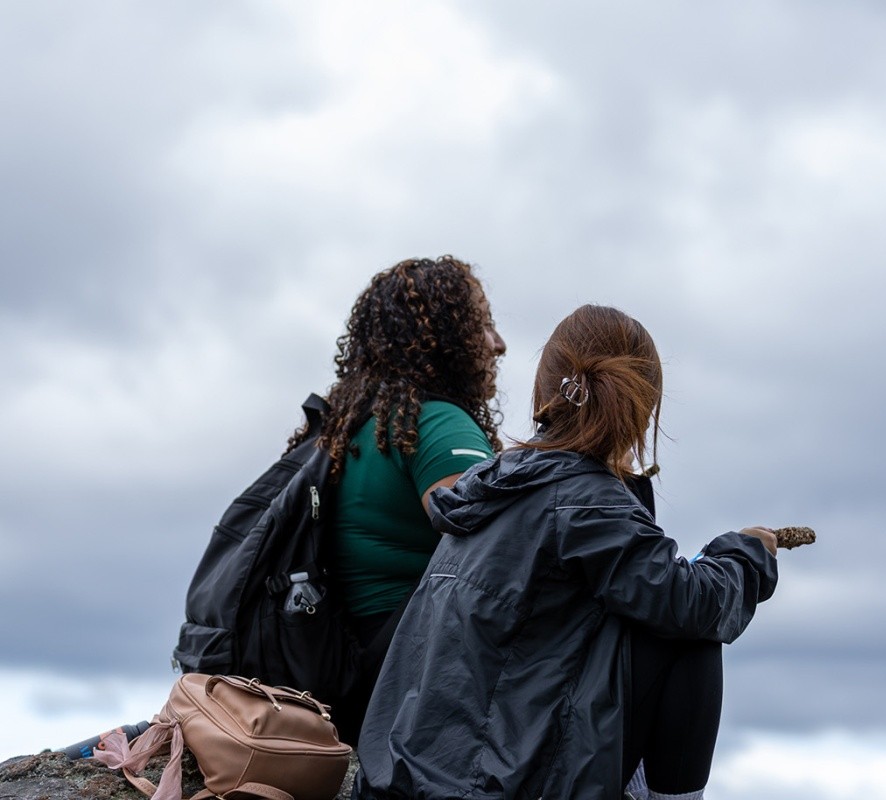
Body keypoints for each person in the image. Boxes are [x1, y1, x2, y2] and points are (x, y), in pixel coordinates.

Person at [352, 304, 779, 800]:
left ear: (543, 391)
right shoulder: (582, 499)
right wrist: (747, 554)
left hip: (405, 773)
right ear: (642, 407)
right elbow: (692, 603)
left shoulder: (495, 487)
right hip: (493, 785)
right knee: (691, 631)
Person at [293, 255, 506, 745]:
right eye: (485, 325)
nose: (499, 345)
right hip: (420, 687)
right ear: (446, 336)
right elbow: (503, 555)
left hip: (354, 685)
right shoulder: (435, 424)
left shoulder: (353, 432)